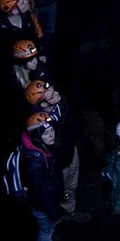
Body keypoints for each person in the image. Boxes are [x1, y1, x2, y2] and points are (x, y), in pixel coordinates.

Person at [24, 79, 88, 222]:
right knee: (61, 190)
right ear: (44, 104)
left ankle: (69, 209)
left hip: (70, 151)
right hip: (58, 162)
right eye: (52, 95)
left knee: (72, 184)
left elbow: (72, 121)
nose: (57, 94)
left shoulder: (61, 103)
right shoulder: (39, 127)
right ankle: (64, 214)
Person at [19, 111, 67, 241]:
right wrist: (53, 211)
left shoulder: (40, 150)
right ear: (37, 136)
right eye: (46, 133)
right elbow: (39, 192)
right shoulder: (35, 161)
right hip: (42, 205)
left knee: (48, 230)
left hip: (47, 202)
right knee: (45, 231)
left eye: (52, 131)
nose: (51, 135)